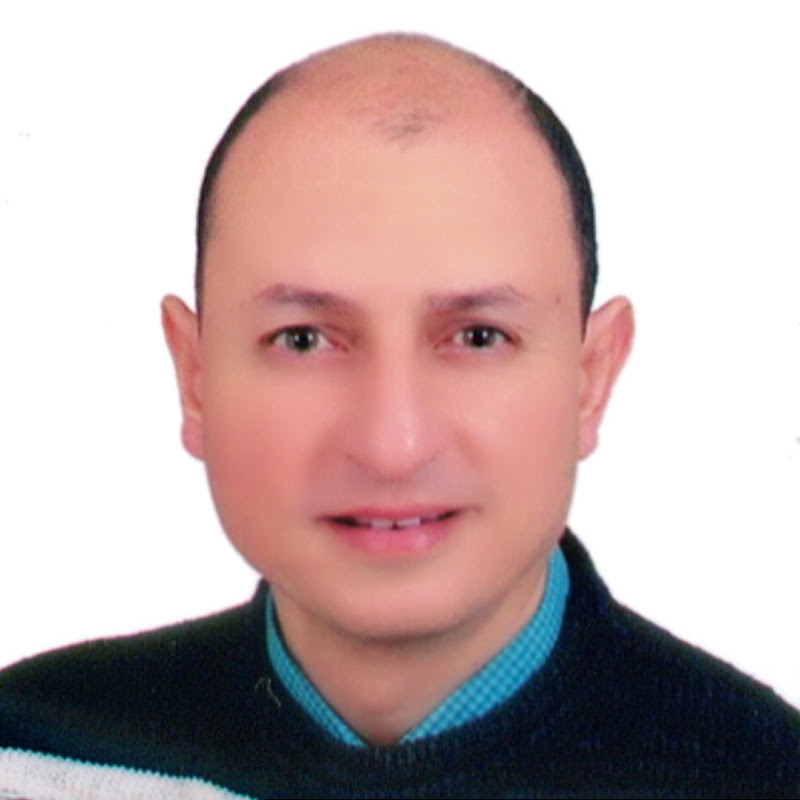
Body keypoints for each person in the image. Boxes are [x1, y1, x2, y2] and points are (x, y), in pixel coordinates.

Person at [0, 32, 797, 799]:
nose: (393, 445)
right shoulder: (32, 754)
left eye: (478, 337)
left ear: (591, 377)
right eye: (303, 339)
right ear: (195, 377)